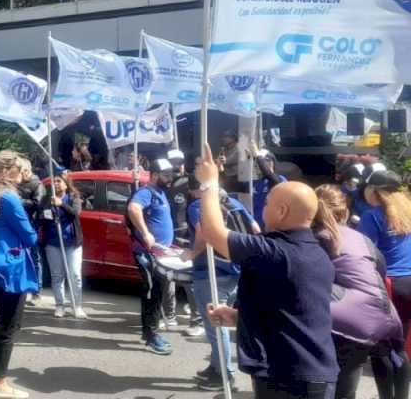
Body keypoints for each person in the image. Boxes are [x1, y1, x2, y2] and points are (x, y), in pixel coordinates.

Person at [196, 143, 340, 398]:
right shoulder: (314, 252)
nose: (262, 209)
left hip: (289, 379)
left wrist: (209, 183)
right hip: (308, 375)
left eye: (267, 204)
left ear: (282, 211)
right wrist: (239, 317)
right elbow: (293, 314)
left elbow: (212, 232)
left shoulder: (275, 251)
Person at [312, 185, 406, 399]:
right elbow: (379, 272)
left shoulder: (311, 239)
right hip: (382, 316)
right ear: (344, 212)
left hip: (344, 319)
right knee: (346, 388)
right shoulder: (360, 238)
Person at [185, 176, 260, 391]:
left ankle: (224, 376)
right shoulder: (234, 203)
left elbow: (203, 234)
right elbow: (255, 228)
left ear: (197, 190)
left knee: (215, 326)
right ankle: (216, 366)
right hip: (237, 269)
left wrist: (191, 254)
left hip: (211, 273)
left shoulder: (198, 206)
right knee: (228, 322)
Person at [0, 150, 37, 399]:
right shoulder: (10, 199)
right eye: (16, 167)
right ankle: (0, 384)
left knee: (3, 322)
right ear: (5, 171)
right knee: (10, 326)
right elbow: (30, 236)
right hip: (12, 266)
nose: (20, 171)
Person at [358, 171, 411, 338]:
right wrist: (409, 258)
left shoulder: (370, 216)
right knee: (399, 348)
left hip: (388, 285)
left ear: (373, 190)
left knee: (383, 351)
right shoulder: (410, 213)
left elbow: (366, 253)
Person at [127, 159, 176, 355]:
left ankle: (151, 332)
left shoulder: (160, 193)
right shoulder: (146, 192)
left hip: (160, 253)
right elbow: (133, 208)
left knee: (157, 293)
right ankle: (151, 335)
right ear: (155, 175)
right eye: (166, 175)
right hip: (147, 254)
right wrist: (146, 233)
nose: (170, 178)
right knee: (152, 294)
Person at [42, 174, 86, 319]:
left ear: (66, 184)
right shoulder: (47, 199)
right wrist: (47, 211)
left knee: (75, 274)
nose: (56, 184)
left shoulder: (74, 198)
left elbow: (76, 213)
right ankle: (60, 305)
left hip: (72, 243)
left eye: (59, 181)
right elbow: (40, 216)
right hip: (53, 243)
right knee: (57, 275)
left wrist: (61, 204)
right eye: (54, 182)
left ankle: (77, 305)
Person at [16, 158, 45, 306]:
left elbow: (38, 204)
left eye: (20, 171)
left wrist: (19, 201)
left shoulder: (37, 184)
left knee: (34, 258)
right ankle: (21, 289)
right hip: (18, 225)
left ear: (26, 171)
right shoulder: (16, 183)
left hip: (31, 225)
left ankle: (36, 291)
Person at [251, 145, 287, 230]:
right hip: (255, 225)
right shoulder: (253, 182)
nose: (265, 163)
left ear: (273, 162)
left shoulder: (280, 179)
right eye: (263, 161)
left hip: (271, 227)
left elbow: (269, 175)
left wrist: (258, 157)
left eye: (267, 160)